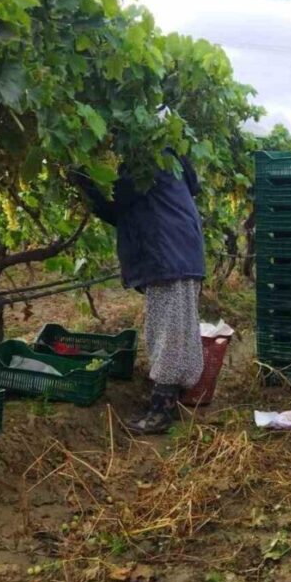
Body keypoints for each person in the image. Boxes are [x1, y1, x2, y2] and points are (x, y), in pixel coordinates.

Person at [75, 149, 205, 435]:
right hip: (181, 254)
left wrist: (83, 180)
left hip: (166, 257)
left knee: (167, 333)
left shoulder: (142, 163)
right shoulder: (170, 159)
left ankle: (161, 412)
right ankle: (175, 400)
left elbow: (116, 208)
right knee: (178, 330)